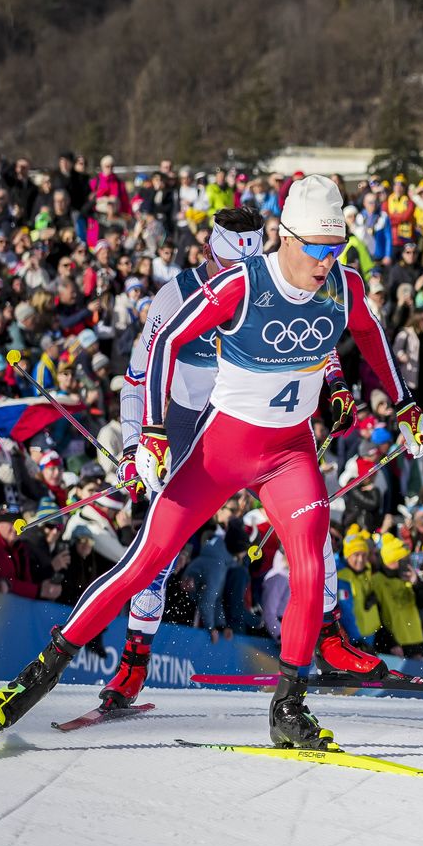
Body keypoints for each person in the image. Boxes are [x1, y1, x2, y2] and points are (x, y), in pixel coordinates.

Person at [0, 176, 423, 750]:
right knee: (146, 563)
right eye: (315, 247)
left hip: (288, 455)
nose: (325, 261)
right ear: (285, 238)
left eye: (334, 248)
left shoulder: (342, 285)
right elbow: (160, 347)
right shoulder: (241, 284)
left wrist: (405, 404)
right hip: (217, 453)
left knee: (311, 558)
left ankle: (290, 706)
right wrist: (152, 436)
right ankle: (38, 676)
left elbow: (370, 334)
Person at [95, 205, 272, 710]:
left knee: (305, 520)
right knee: (159, 552)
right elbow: (134, 381)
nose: (235, 282)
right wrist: (134, 447)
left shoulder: (264, 289)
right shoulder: (175, 297)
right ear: (209, 254)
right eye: (225, 270)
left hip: (241, 424)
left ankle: (322, 642)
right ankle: (133, 665)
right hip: (179, 424)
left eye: (245, 272)